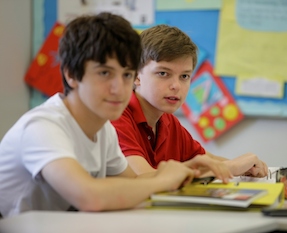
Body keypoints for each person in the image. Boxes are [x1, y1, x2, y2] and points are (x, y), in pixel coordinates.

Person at [0, 13, 232, 218]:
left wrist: (184, 170)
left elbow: (133, 184)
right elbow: (89, 196)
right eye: (104, 73)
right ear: (71, 75)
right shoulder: (43, 127)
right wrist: (164, 180)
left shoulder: (103, 130)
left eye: (127, 74)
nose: (118, 88)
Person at [111, 24, 268, 178]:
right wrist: (231, 167)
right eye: (163, 73)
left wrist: (246, 168)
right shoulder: (116, 116)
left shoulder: (169, 122)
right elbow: (143, 178)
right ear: (136, 75)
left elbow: (206, 162)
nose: (176, 86)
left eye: (184, 76)